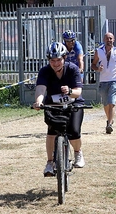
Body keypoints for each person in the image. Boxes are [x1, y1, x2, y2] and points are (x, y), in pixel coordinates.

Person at [33, 41, 86, 176]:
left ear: (64, 58)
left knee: (74, 131)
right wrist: (38, 102)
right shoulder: (45, 71)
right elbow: (41, 89)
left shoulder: (73, 69)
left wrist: (69, 91)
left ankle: (77, 152)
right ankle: (50, 162)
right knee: (51, 132)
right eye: (52, 60)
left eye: (58, 60)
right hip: (54, 104)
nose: (55, 64)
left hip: (74, 103)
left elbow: (78, 91)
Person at [91, 32, 116, 134]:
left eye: (111, 38)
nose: (109, 40)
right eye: (107, 38)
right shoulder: (99, 51)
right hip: (103, 81)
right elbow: (93, 64)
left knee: (112, 102)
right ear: (104, 40)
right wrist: (98, 69)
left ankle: (109, 125)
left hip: (114, 80)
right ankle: (109, 119)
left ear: (114, 40)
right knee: (106, 103)